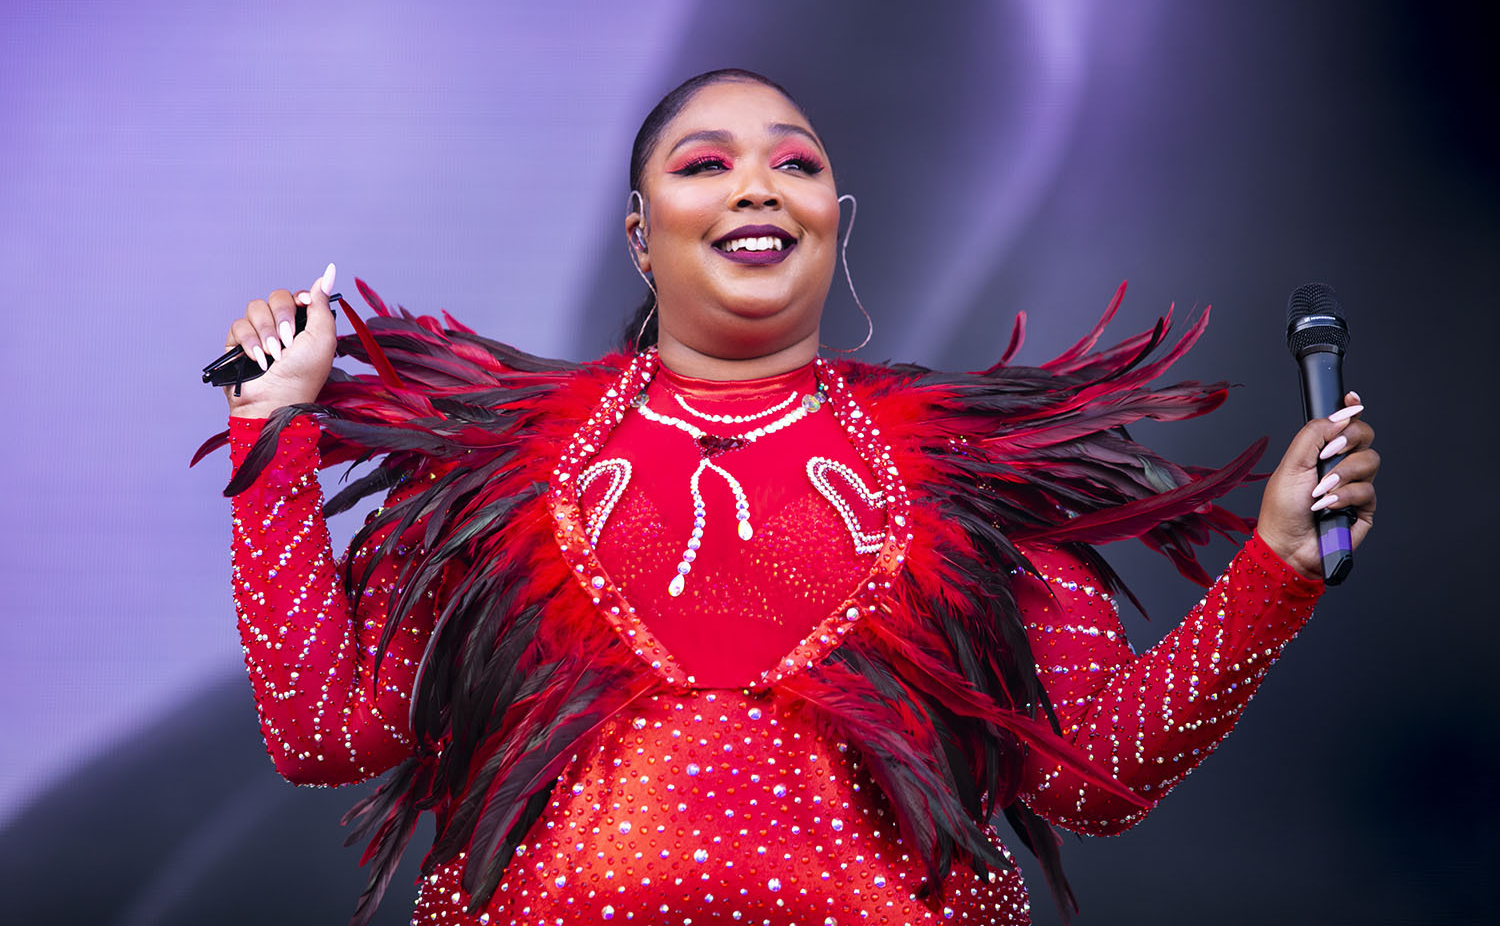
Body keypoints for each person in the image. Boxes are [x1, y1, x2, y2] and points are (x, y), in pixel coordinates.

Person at [213, 69, 1378, 925]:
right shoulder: (501, 473)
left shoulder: (971, 473)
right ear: (640, 236)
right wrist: (271, 429)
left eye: (799, 163)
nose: (759, 185)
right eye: (705, 163)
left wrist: (1274, 566)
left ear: (835, 223)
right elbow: (324, 734)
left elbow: (1088, 778)